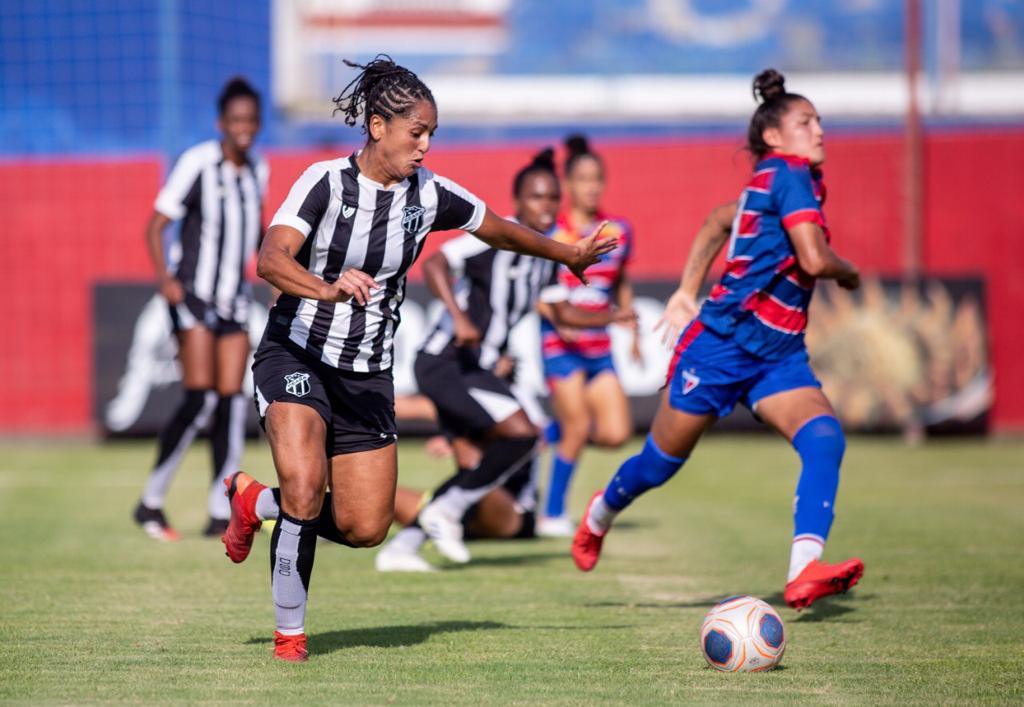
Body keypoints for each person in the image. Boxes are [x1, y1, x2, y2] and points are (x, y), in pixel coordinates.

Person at [217, 57, 617, 662]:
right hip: (295, 352)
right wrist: (325, 287)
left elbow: (499, 228)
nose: (426, 145)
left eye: (432, 133)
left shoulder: (429, 195)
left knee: (365, 527)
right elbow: (271, 260)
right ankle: (290, 635)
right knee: (304, 486)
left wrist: (569, 255)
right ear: (378, 126)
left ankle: (253, 502)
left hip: (369, 374)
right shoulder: (323, 182)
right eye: (417, 132)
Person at [572, 69, 865, 611]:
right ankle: (598, 516)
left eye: (819, 121)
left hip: (776, 354)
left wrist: (686, 291)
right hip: (721, 346)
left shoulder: (777, 180)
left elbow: (715, 221)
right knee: (659, 464)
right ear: (774, 137)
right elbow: (815, 259)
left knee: (824, 438)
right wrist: (847, 274)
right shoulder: (789, 175)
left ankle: (803, 571)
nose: (820, 130)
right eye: (807, 122)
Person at [374, 148, 635, 571]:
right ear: (518, 203)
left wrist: (611, 315)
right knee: (522, 433)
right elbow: (436, 262)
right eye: (536, 198)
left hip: (476, 369)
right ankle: (443, 512)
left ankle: (402, 547)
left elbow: (561, 310)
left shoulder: (546, 254)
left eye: (552, 199)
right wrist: (458, 318)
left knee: (492, 456)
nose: (546, 207)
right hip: (446, 362)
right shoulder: (495, 238)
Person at [133, 77, 267, 540]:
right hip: (193, 296)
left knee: (232, 402)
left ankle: (219, 509)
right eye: (235, 120)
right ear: (221, 124)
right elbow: (156, 225)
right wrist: (166, 281)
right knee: (201, 396)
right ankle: (151, 501)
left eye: (250, 120)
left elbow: (257, 237)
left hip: (234, 300)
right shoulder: (198, 163)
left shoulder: (257, 171)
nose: (243, 128)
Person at [536, 134, 639, 537]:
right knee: (579, 426)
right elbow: (535, 291)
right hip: (559, 346)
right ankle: (553, 514)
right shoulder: (552, 233)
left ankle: (544, 433)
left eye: (598, 179)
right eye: (583, 179)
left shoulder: (619, 231)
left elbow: (621, 280)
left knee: (614, 434)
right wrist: (555, 315)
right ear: (568, 184)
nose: (591, 187)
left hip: (600, 348)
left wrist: (630, 329)